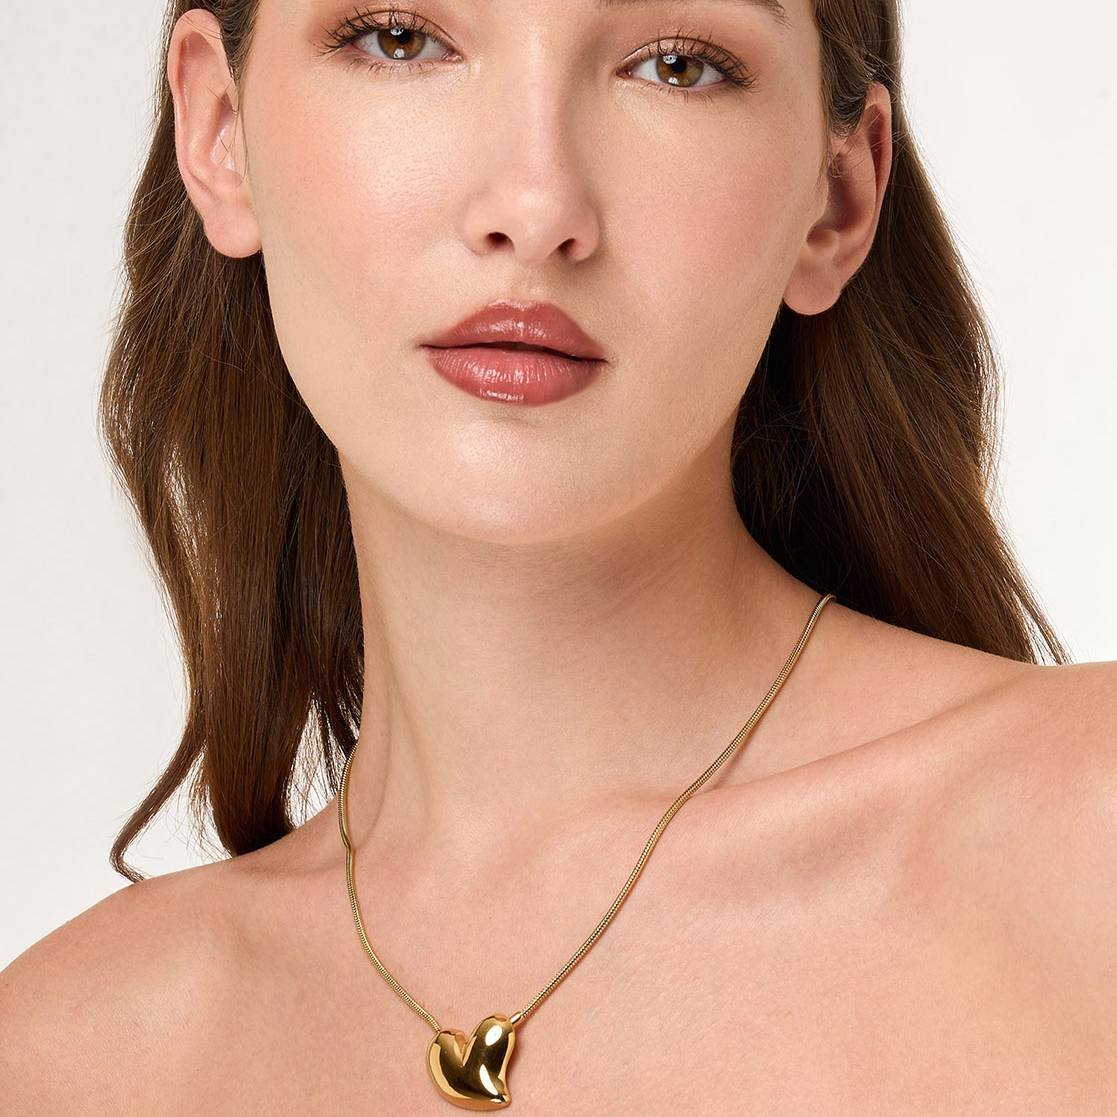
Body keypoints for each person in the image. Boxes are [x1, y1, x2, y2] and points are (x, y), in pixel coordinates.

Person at [2, 0, 1114, 1111]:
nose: (535, 212)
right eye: (400, 38)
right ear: (217, 128)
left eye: (676, 65)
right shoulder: (69, 1059)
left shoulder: (1083, 842)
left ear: (837, 201)